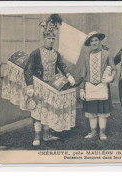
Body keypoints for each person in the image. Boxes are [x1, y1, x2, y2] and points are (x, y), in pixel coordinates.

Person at [24, 15, 76, 146]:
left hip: (52, 86)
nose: (51, 41)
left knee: (48, 111)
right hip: (39, 86)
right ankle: (37, 137)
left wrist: (69, 75)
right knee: (37, 111)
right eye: (49, 38)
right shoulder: (35, 53)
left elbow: (62, 65)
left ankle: (46, 135)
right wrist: (30, 86)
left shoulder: (56, 54)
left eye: (53, 38)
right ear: (44, 39)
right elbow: (28, 70)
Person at [80, 31, 117, 140]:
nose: (94, 43)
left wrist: (110, 78)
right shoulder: (87, 55)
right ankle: (93, 132)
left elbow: (114, 69)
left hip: (102, 86)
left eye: (96, 40)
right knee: (91, 110)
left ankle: (102, 132)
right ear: (89, 43)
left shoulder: (107, 54)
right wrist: (82, 89)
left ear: (100, 41)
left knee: (102, 110)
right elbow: (83, 73)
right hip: (89, 86)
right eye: (92, 41)